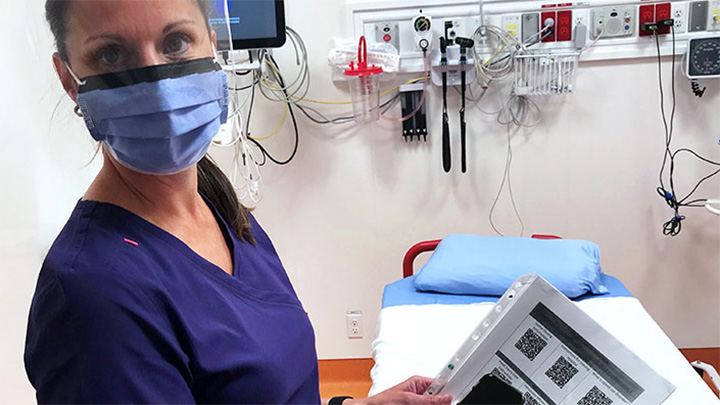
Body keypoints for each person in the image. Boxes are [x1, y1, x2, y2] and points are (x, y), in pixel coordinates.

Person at [24, 0, 453, 404]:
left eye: (175, 43)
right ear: (69, 81)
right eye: (112, 56)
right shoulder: (95, 298)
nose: (156, 84)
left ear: (211, 44)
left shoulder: (215, 202)